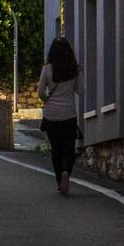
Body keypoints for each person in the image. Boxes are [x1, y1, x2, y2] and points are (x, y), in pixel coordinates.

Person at [38, 36, 82, 195]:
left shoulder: (47, 69)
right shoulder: (74, 69)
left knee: (56, 149)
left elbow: (40, 92)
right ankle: (66, 172)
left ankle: (59, 180)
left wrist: (47, 100)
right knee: (68, 148)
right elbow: (81, 91)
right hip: (69, 115)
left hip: (51, 115)